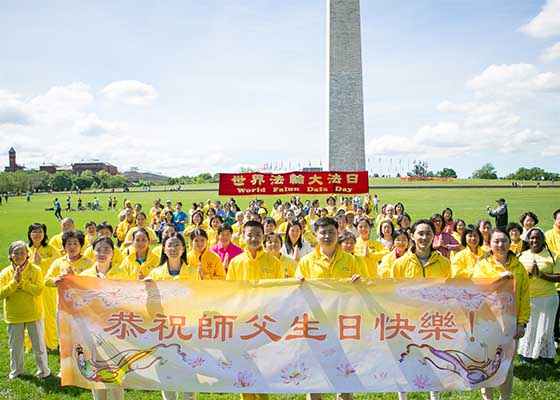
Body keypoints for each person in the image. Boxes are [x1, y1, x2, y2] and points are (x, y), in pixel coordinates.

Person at [295, 217, 360, 400]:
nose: (327, 236)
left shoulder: (350, 260)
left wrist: (359, 283)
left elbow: (361, 291)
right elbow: (295, 292)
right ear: (315, 236)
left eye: (331, 232)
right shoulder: (307, 262)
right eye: (322, 232)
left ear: (337, 233)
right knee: (316, 370)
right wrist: (298, 283)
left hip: (343, 322)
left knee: (344, 369)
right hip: (316, 324)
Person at [391, 219, 451, 400]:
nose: (424, 237)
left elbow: (447, 292)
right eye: (420, 233)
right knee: (405, 359)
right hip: (408, 321)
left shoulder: (444, 263)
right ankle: (403, 396)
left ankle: (435, 395)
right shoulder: (400, 264)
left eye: (428, 234)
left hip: (433, 321)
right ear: (412, 236)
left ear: (434, 236)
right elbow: (393, 293)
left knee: (434, 359)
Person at [472, 228, 529, 400]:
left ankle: (505, 397)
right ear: (489, 244)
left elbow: (525, 296)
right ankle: (487, 397)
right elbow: (477, 290)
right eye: (496, 241)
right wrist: (500, 279)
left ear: (509, 243)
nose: (501, 245)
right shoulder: (482, 266)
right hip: (487, 325)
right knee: (487, 364)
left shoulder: (519, 267)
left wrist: (522, 323)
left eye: (504, 241)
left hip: (510, 325)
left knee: (508, 366)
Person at [146, 233, 199, 400]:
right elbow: (149, 305)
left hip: (187, 329)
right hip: (164, 329)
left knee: (189, 369)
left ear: (184, 249)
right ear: (163, 249)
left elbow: (199, 299)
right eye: (170, 245)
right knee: (166, 369)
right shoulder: (155, 274)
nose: (173, 249)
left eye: (177, 245)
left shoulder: (192, 273)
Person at [0, 241, 50, 380]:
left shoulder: (36, 270)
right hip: (14, 315)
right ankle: (16, 371)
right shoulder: (5, 273)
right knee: (15, 347)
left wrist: (22, 282)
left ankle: (43, 371)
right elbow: (1, 294)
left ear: (27, 254)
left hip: (33, 313)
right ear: (10, 255)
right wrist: (14, 283)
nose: (19, 255)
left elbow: (38, 290)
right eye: (16, 252)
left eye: (22, 252)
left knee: (39, 346)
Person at [517, 227, 560, 364]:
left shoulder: (553, 256)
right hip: (527, 298)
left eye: (537, 238)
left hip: (548, 298)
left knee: (546, 328)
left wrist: (541, 275)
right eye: (532, 238)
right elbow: (516, 277)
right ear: (528, 240)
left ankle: (546, 357)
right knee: (530, 328)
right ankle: (526, 356)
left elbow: (559, 276)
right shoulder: (522, 256)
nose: (534, 240)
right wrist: (528, 274)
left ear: (543, 240)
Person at [27, 223, 60, 351]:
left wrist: (42, 261)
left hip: (47, 287)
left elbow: (58, 261)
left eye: (40, 231)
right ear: (30, 234)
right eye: (34, 232)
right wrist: (32, 261)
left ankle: (51, 343)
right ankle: (31, 344)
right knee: (31, 314)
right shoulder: (25, 248)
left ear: (44, 234)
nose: (37, 234)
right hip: (30, 286)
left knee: (49, 315)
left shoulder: (50, 249)